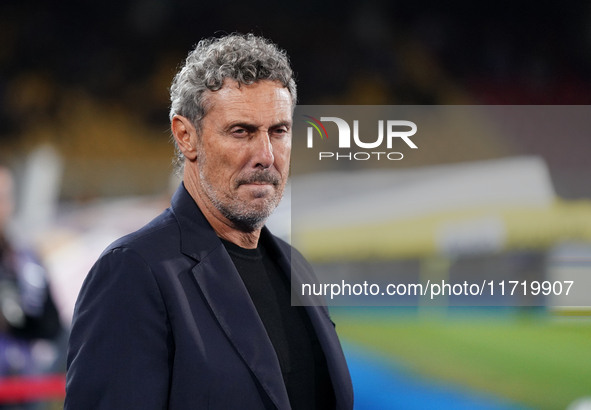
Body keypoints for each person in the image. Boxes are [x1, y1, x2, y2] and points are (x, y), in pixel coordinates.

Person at [64, 34, 354, 409]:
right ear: (186, 136)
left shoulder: (296, 266)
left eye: (278, 131)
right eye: (241, 131)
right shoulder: (133, 271)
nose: (266, 155)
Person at [0, 165, 63, 410]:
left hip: (22, 390)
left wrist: (14, 319)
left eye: (3, 197)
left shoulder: (25, 260)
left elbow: (51, 324)